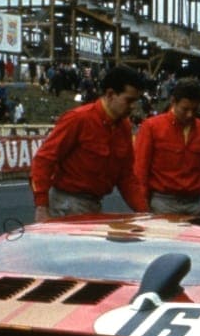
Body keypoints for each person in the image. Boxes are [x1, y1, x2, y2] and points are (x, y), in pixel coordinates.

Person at [30, 64, 149, 222]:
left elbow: (126, 176)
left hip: (94, 204)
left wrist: (146, 212)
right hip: (66, 205)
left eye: (136, 101)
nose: (133, 106)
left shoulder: (124, 127)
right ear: (110, 94)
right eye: (129, 100)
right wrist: (41, 207)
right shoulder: (78, 119)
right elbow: (43, 160)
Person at [134, 77, 200, 216]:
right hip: (162, 204)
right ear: (173, 102)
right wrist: (143, 211)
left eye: (195, 109)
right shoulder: (151, 127)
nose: (190, 114)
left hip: (194, 205)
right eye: (185, 109)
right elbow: (140, 172)